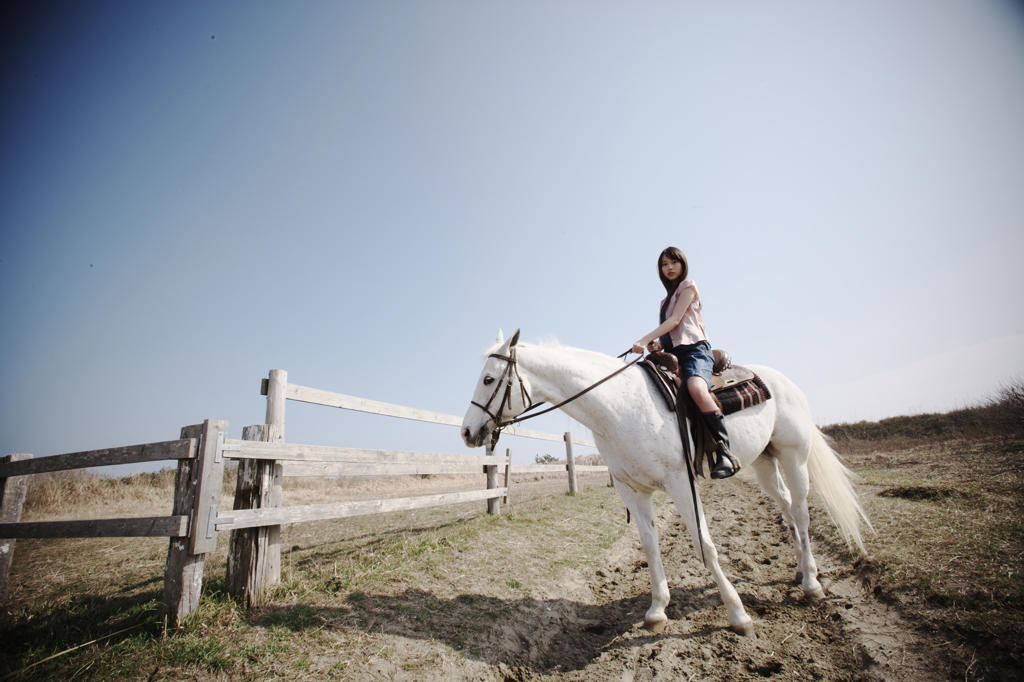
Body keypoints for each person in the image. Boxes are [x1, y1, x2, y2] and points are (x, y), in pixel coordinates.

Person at [632, 246, 738, 479]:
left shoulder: (688, 286)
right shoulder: (664, 301)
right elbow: (671, 331)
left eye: (673, 262)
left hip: (695, 351)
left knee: (696, 388)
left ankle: (725, 451)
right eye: (664, 264)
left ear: (682, 264)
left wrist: (644, 338)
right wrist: (657, 345)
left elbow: (677, 320)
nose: (669, 268)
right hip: (674, 354)